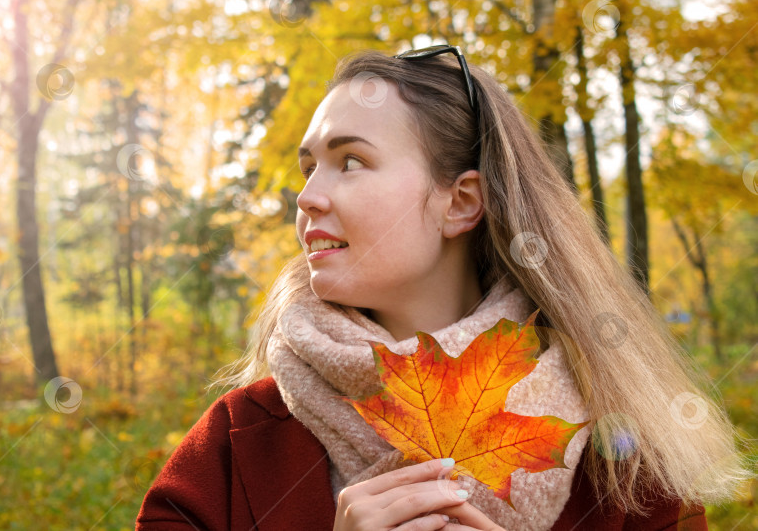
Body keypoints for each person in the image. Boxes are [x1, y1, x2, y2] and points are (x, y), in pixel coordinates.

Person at [135, 45, 751, 530]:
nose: (307, 196)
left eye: (350, 161)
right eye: (309, 167)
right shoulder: (237, 444)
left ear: (460, 203)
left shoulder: (623, 468)